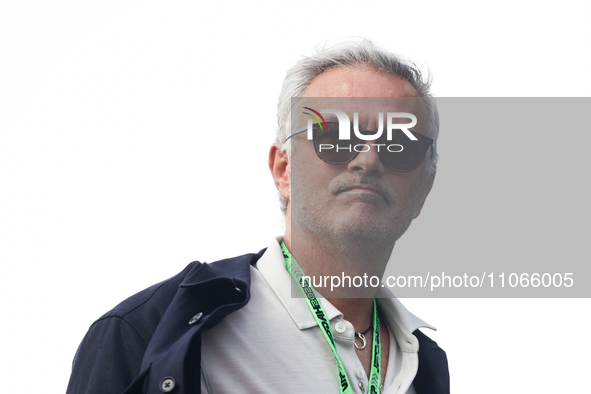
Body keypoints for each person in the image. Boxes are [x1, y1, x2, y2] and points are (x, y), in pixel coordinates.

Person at [67, 39, 449, 394]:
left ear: (425, 191)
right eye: (337, 136)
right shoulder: (145, 333)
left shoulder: (422, 363)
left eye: (399, 144)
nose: (367, 159)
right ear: (283, 170)